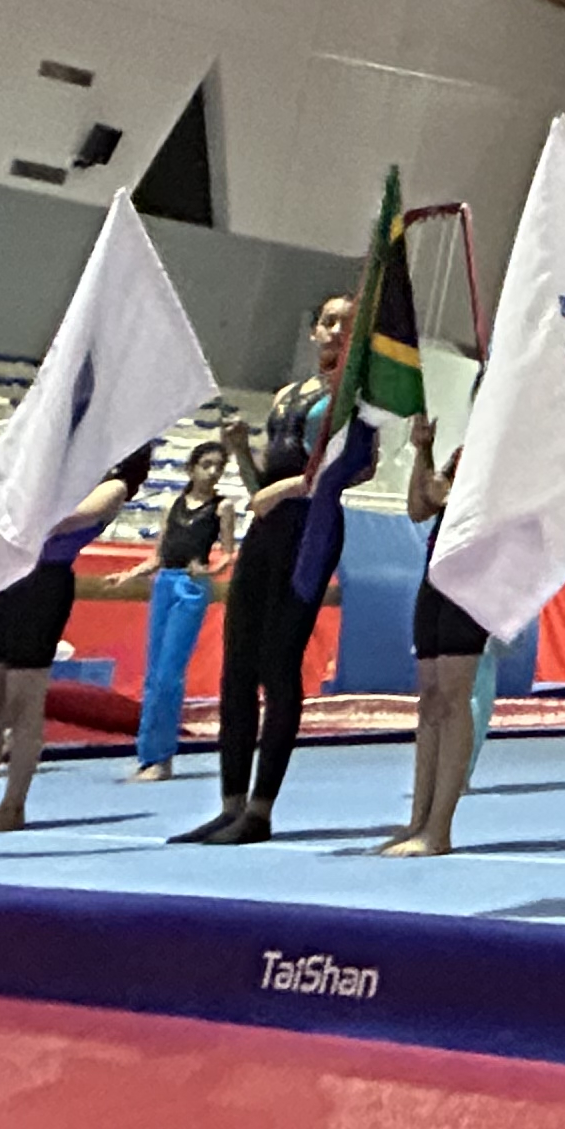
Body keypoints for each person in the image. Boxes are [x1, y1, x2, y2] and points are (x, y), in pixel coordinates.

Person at [178, 295, 357, 849]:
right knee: (237, 666)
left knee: (279, 665)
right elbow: (260, 491)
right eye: (326, 321)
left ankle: (260, 810)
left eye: (346, 324)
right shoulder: (286, 395)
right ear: (313, 331)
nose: (334, 330)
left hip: (311, 530)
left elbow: (355, 467)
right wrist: (241, 453)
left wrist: (289, 489)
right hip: (269, 530)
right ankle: (230, 804)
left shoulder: (353, 397)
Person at [0, 446, 151, 833]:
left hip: (43, 584)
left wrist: (16, 494)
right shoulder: (58, 472)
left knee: (22, 703)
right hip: (4, 577)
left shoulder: (113, 486)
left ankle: (12, 806)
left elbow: (63, 521)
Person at [380, 414, 487, 858]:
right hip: (437, 573)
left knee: (454, 694)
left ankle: (439, 829)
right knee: (430, 696)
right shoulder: (463, 454)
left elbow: (461, 501)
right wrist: (422, 449)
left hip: (473, 575)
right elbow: (419, 507)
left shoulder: (505, 457)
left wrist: (450, 492)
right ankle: (418, 820)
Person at [129, 437, 231, 783]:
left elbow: (227, 553)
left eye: (219, 467)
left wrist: (210, 571)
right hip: (165, 582)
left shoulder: (222, 507)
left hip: (190, 586)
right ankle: (147, 755)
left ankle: (161, 756)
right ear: (191, 468)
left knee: (169, 674)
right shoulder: (172, 504)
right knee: (152, 673)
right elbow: (158, 555)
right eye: (207, 465)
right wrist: (130, 574)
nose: (213, 472)